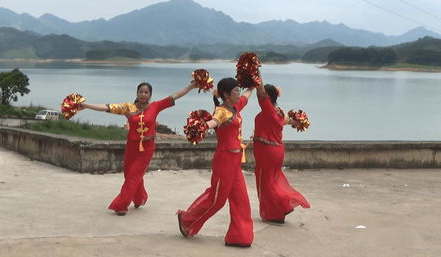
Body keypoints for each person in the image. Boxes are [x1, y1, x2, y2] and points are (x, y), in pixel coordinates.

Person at [80, 81, 198, 216]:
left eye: (146, 92)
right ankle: (139, 198)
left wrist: (190, 87)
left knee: (133, 175)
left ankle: (121, 205)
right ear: (137, 93)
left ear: (150, 95)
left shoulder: (156, 106)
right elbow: (106, 107)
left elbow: (175, 96)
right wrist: (85, 105)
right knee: (129, 174)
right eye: (141, 91)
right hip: (132, 146)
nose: (143, 94)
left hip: (147, 148)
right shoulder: (127, 107)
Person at [177, 77, 254, 247]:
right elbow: (214, 122)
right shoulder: (222, 111)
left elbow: (248, 95)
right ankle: (186, 219)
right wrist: (203, 126)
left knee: (241, 200)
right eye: (236, 92)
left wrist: (254, 79)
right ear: (226, 95)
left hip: (235, 162)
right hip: (224, 161)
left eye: (238, 91)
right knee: (217, 200)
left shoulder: (236, 106)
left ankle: (239, 237)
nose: (239, 94)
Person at [252, 77, 310, 224]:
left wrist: (255, 71)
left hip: (267, 152)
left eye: (262, 94)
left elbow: (260, 91)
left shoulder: (269, 110)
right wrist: (297, 122)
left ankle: (274, 213)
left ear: (268, 97)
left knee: (265, 183)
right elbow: (290, 122)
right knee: (273, 180)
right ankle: (281, 207)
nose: (259, 96)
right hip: (277, 151)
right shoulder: (279, 112)